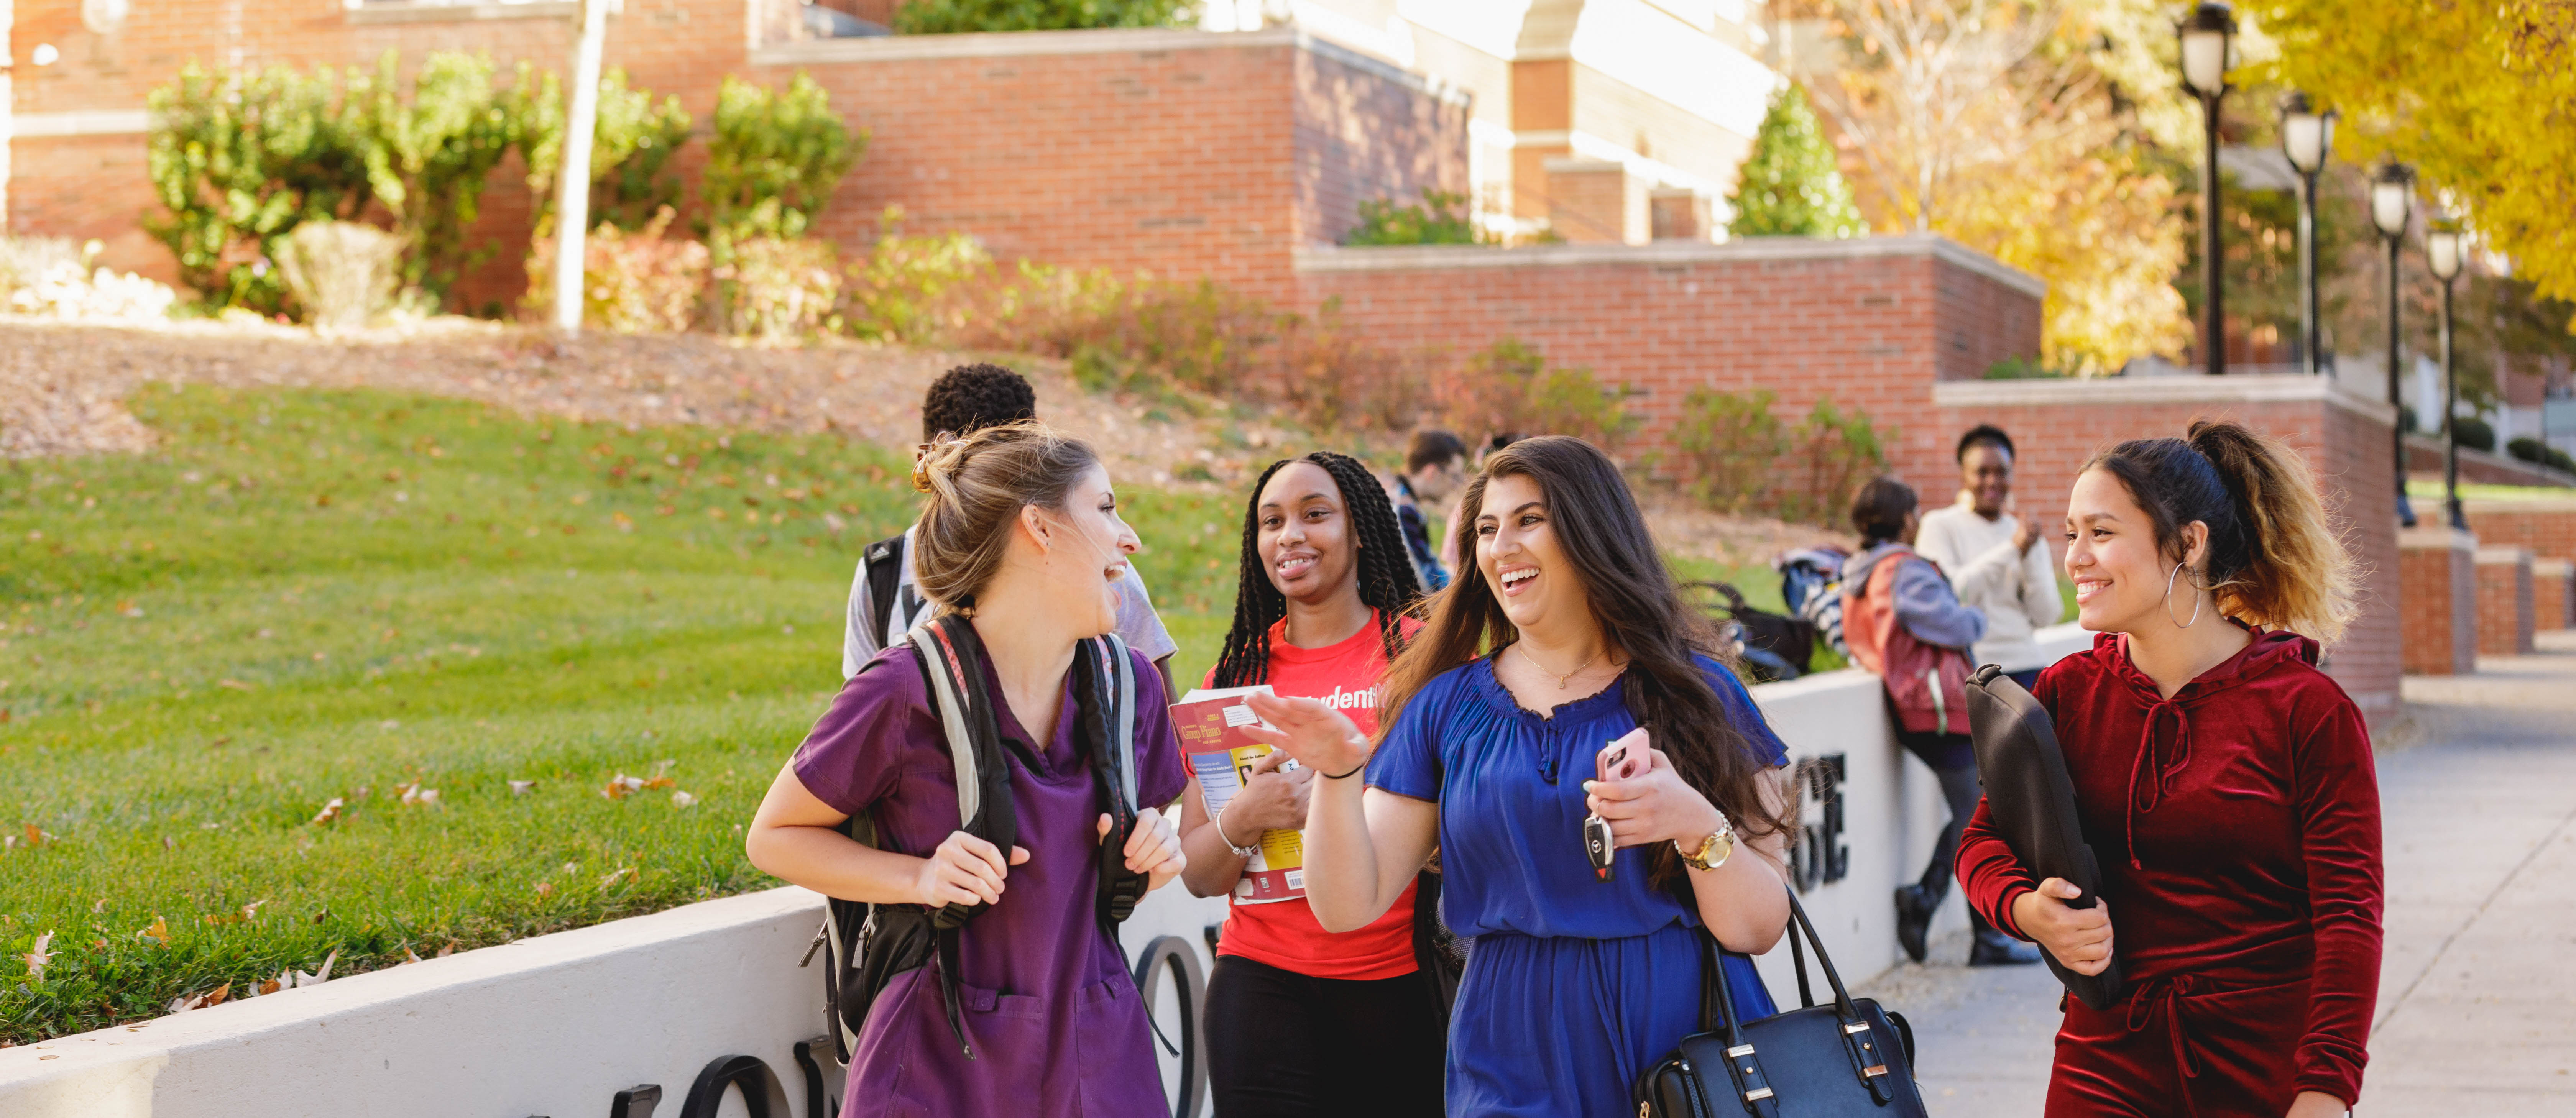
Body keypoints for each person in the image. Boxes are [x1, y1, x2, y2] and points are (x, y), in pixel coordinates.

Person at [1238, 435, 1796, 1116]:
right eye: (1486, 529)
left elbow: (1760, 926)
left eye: (1530, 519)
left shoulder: (1699, 692)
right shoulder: (1445, 704)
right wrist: (1336, 772)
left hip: (1685, 1042)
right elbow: (1347, 904)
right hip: (1511, 1047)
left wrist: (1694, 824)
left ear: (1593, 530)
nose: (1502, 547)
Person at [746, 421, 1191, 1116]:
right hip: (937, 1068)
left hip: (1103, 1055)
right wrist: (917, 877)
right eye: (1105, 509)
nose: (1130, 537)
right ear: (1039, 528)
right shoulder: (901, 689)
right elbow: (774, 835)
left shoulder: (1128, 686)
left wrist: (1159, 845)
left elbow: (1172, 814)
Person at [1957, 421, 2378, 1118]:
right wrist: (2028, 910)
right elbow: (1983, 841)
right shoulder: (2065, 692)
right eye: (2070, 534)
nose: (2076, 559)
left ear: (2189, 543)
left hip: (2264, 1073)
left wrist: (2328, 1088)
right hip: (2103, 1064)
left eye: (2101, 532)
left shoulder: (2308, 710)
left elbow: (2349, 918)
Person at [1179, 450, 1444, 1117]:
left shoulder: (1425, 661)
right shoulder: (1235, 677)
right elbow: (1200, 875)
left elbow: (1469, 829)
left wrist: (1336, 798)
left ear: (1360, 530)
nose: (1290, 535)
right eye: (1272, 522)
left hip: (1398, 985)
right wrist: (1248, 813)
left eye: (1315, 514)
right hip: (1260, 987)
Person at [843, 363, 1180, 695]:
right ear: (928, 464)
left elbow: (1162, 706)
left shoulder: (1095, 568)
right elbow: (861, 713)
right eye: (961, 473)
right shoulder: (883, 573)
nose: (976, 493)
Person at [1840, 476, 2040, 968]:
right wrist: (1973, 618)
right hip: (1935, 709)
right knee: (1982, 813)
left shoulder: (1862, 569)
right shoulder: (1903, 570)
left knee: (1976, 809)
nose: (1917, 519)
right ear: (1902, 517)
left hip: (1913, 705)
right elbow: (1948, 621)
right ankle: (1968, 926)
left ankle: (1933, 903)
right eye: (1913, 510)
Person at [1916, 425, 2063, 689]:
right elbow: (1952, 596)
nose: (1993, 481)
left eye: (2001, 472)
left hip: (2029, 666)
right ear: (1963, 475)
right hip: (1973, 671)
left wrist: (2028, 555)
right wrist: (2013, 550)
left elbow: (2047, 615)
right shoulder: (1939, 526)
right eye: (1982, 472)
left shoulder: (2025, 533)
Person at [1389, 430, 1469, 592]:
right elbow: (1427, 582)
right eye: (1455, 477)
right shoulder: (1401, 510)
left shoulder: (1401, 500)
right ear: (1432, 472)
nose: (1456, 485)